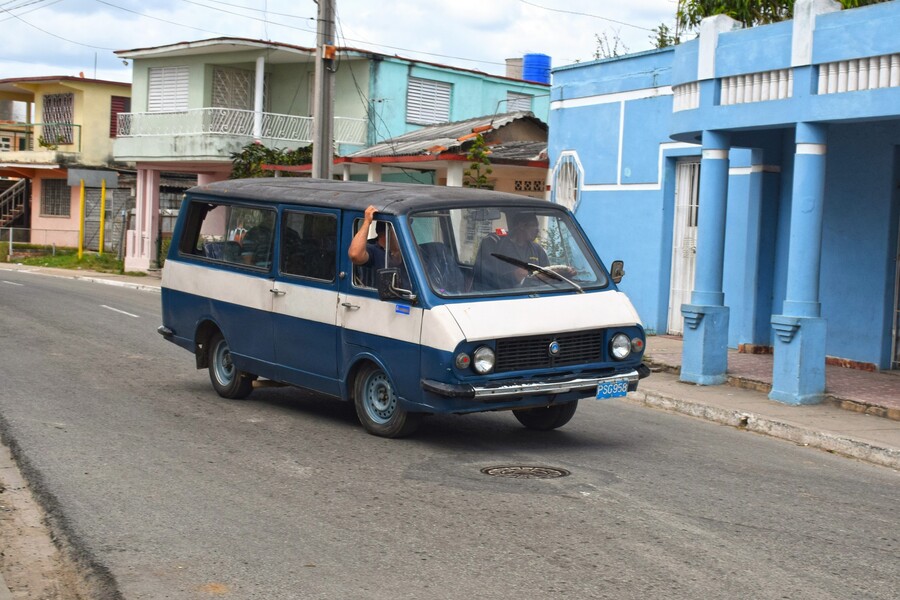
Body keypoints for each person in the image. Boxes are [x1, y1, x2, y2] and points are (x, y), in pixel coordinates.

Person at [473, 211, 549, 290]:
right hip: (501, 296)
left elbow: (548, 275)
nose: (537, 230)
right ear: (521, 226)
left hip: (533, 296)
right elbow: (485, 278)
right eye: (533, 225)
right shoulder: (496, 244)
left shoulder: (537, 250)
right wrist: (514, 276)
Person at [348, 205, 407, 288]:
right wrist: (367, 222)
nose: (405, 235)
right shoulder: (373, 250)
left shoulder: (408, 251)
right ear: (386, 233)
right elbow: (355, 255)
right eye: (400, 230)